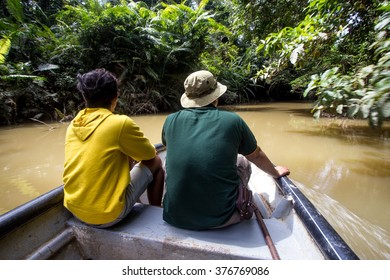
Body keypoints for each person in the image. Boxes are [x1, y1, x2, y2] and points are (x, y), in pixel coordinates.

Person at [161, 70, 290, 230]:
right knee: (243, 160)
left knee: (166, 160)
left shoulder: (170, 120)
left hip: (174, 216)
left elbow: (168, 144)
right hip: (223, 218)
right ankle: (240, 202)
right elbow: (256, 156)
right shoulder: (232, 120)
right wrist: (275, 172)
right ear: (215, 96)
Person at [63, 68, 164, 228]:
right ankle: (155, 213)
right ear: (115, 98)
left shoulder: (74, 124)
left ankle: (134, 200)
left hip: (75, 210)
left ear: (84, 97)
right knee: (156, 162)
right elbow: (149, 155)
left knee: (126, 151)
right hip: (108, 216)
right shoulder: (120, 123)